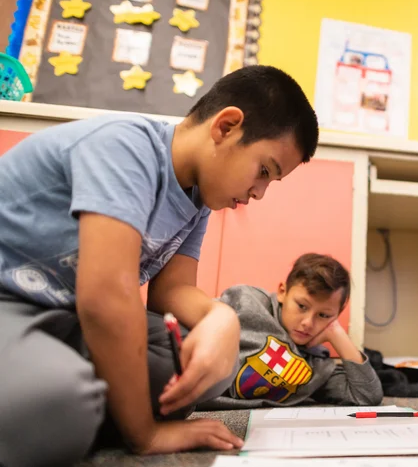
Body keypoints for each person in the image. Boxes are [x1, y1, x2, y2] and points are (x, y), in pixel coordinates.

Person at [0, 65, 319, 467]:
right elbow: (106, 300)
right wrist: (145, 434)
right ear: (226, 127)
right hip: (11, 301)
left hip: (67, 317)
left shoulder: (198, 201)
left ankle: (67, 399)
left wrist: (222, 319)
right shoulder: (125, 146)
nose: (259, 193)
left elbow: (170, 293)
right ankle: (77, 406)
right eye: (264, 171)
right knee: (65, 406)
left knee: (208, 364)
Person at [208, 253, 383, 408]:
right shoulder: (248, 302)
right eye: (301, 306)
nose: (308, 323)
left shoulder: (316, 367)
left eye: (323, 315)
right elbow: (190, 324)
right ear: (282, 292)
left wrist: (337, 333)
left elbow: (367, 396)